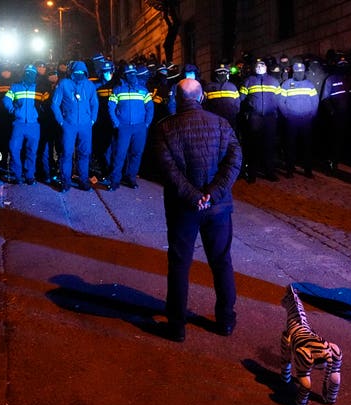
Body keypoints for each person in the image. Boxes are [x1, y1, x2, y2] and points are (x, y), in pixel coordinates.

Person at [154, 78, 242, 342]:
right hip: (218, 207)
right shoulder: (221, 124)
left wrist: (194, 197)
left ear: (177, 99)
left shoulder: (164, 128)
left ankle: (177, 326)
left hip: (184, 208)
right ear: (201, 97)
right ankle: (225, 320)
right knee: (221, 262)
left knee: (180, 265)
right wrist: (213, 193)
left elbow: (168, 170)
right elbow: (235, 160)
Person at [50, 60, 98, 193]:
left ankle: (83, 181)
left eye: (82, 72)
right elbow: (55, 104)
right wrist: (61, 121)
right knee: (66, 153)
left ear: (85, 73)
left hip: (85, 125)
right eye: (76, 72)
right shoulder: (64, 84)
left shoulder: (89, 85)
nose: (79, 74)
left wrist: (92, 120)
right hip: (69, 125)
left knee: (84, 153)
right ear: (72, 72)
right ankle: (66, 182)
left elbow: (94, 104)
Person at [105, 64, 153, 191]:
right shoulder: (118, 89)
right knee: (120, 154)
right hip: (124, 127)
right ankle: (115, 180)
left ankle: (131, 178)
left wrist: (146, 123)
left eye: (133, 73)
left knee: (136, 153)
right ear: (124, 76)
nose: (131, 76)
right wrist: (116, 123)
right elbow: (110, 106)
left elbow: (150, 108)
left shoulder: (143, 90)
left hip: (140, 127)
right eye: (128, 74)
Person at [239, 58, 281, 183]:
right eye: (258, 66)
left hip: (270, 118)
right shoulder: (249, 81)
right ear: (254, 68)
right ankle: (252, 173)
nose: (260, 68)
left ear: (266, 68)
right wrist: (247, 111)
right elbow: (241, 99)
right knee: (253, 146)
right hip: (255, 118)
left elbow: (279, 99)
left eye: (262, 65)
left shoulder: (273, 81)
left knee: (269, 146)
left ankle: (270, 172)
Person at [279, 61, 319, 178]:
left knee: (307, 146)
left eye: (301, 72)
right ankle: (290, 170)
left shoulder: (309, 84)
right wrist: (287, 115)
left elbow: (315, 101)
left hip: (306, 121)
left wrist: (311, 115)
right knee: (290, 146)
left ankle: (308, 170)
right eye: (297, 72)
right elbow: (281, 102)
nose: (299, 74)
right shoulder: (286, 84)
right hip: (292, 121)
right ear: (293, 72)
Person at [3, 64, 42, 185]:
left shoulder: (38, 88)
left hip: (33, 124)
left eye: (32, 73)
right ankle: (17, 175)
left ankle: (30, 175)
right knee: (14, 149)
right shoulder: (15, 87)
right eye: (27, 72)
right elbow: (6, 100)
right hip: (19, 124)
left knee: (32, 151)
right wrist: (13, 110)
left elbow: (44, 103)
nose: (29, 75)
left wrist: (39, 113)